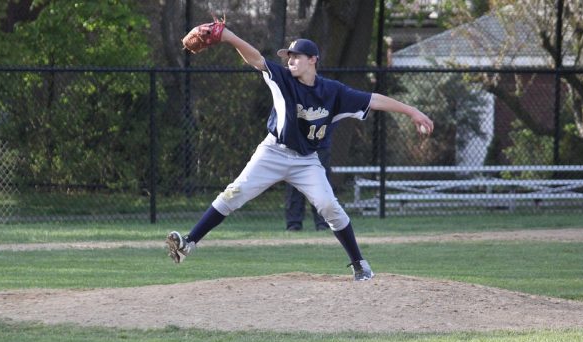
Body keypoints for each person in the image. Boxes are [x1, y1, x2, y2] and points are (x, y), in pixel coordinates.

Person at [167, 29, 433, 281]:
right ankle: (188, 243)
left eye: (296, 56)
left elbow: (372, 99)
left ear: (312, 60)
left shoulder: (332, 91)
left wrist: (412, 111)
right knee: (234, 193)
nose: (290, 60)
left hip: (306, 161)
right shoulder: (282, 79)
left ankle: (360, 265)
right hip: (273, 152)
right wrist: (227, 36)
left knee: (330, 207)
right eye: (288, 56)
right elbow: (256, 59)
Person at [285, 147, 331, 231]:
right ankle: (294, 224)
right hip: (295, 146)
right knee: (294, 184)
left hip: (319, 145)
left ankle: (322, 223)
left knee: (320, 183)